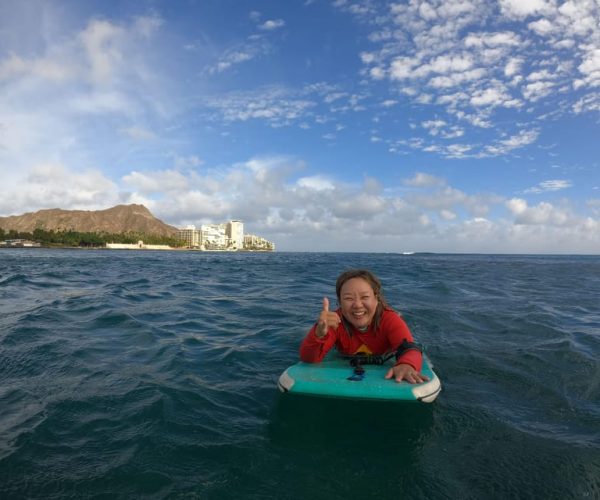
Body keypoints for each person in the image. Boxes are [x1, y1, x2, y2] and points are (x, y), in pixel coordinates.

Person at [300, 269, 429, 384]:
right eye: (348, 298)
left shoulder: (390, 320)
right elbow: (309, 359)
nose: (357, 305)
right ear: (340, 302)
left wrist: (406, 364)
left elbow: (410, 348)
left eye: (365, 297)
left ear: (376, 298)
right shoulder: (334, 322)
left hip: (384, 357)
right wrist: (319, 334)